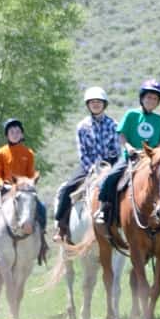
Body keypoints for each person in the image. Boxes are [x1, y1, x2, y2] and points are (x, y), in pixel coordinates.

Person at [93, 79, 160, 230]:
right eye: (148, 97)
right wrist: (129, 147)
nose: (151, 101)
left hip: (150, 160)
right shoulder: (131, 114)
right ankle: (103, 209)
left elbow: (158, 141)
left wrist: (158, 152)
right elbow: (121, 135)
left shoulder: (158, 119)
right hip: (130, 158)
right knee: (110, 178)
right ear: (142, 98)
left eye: (155, 98)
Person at [52, 87, 119, 243]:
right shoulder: (82, 126)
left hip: (109, 166)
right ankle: (61, 227)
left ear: (104, 104)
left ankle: (124, 225)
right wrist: (93, 169)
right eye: (92, 102)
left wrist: (106, 168)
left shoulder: (113, 125)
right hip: (87, 166)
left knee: (123, 188)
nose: (95, 105)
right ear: (88, 105)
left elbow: (115, 150)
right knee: (67, 188)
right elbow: (82, 152)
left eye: (99, 102)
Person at [0, 119, 48, 248]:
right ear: (7, 135)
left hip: (23, 189)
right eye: (11, 132)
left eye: (18, 131)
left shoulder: (28, 153)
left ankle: (42, 238)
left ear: (22, 135)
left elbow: (30, 173)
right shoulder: (1, 152)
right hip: (5, 187)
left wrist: (29, 184)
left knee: (42, 207)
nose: (15, 134)